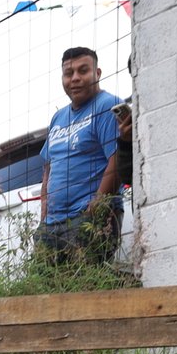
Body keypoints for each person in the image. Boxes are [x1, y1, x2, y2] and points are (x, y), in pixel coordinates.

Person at [34, 47, 125, 262]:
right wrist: (44, 216)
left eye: (83, 71)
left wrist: (95, 209)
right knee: (47, 292)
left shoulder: (107, 105)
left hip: (86, 218)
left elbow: (117, 158)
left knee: (85, 288)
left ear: (98, 73)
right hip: (51, 225)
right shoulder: (58, 117)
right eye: (68, 73)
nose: (75, 78)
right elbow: (48, 168)